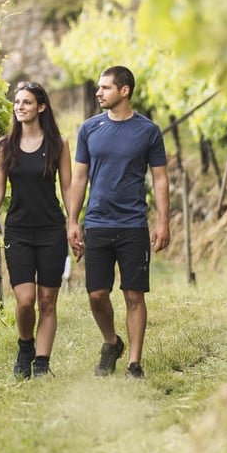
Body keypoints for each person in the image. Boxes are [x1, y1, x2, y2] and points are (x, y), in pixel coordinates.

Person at [66, 65, 170, 379]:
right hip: (96, 223)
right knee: (96, 295)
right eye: (99, 87)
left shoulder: (149, 131)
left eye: (105, 88)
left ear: (124, 91)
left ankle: (134, 364)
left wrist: (163, 221)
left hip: (133, 225)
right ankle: (112, 342)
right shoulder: (89, 129)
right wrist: (72, 221)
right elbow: (79, 177)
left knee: (134, 295)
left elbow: (160, 179)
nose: (98, 92)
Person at [0, 81, 74, 379]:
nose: (20, 107)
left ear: (41, 107)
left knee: (47, 301)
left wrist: (73, 223)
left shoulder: (58, 144)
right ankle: (25, 345)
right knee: (25, 300)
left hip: (51, 231)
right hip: (18, 230)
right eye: (17, 102)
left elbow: (68, 187)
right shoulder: (5, 146)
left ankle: (42, 364)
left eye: (27, 102)